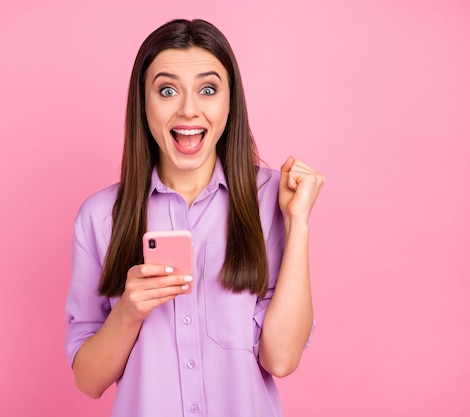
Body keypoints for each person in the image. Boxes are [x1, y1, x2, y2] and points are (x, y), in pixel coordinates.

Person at [65, 18, 325, 417]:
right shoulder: (100, 217)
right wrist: (129, 312)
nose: (189, 109)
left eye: (208, 89)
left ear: (230, 101)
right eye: (167, 90)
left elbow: (282, 359)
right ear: (143, 103)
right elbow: (88, 380)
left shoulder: (274, 199)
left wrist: (298, 223)